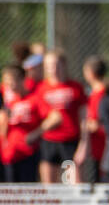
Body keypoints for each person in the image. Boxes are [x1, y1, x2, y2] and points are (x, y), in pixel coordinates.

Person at [30, 50, 85, 184]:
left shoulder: (75, 87)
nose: (53, 68)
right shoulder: (41, 88)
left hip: (70, 142)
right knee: (49, 187)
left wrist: (84, 145)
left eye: (56, 64)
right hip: (49, 141)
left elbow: (84, 119)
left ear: (63, 65)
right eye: (49, 65)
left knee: (73, 183)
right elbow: (45, 116)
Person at [0, 65, 45, 182]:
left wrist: (36, 133)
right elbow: (0, 127)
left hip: (27, 154)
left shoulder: (33, 99)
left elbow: (53, 118)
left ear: (22, 80)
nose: (8, 86)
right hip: (9, 155)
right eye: (6, 83)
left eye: (11, 82)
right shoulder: (8, 102)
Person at [74, 56, 108, 184]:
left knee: (102, 183)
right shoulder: (96, 93)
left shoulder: (101, 94)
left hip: (101, 147)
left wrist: (84, 125)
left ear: (90, 73)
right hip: (96, 148)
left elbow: (94, 123)